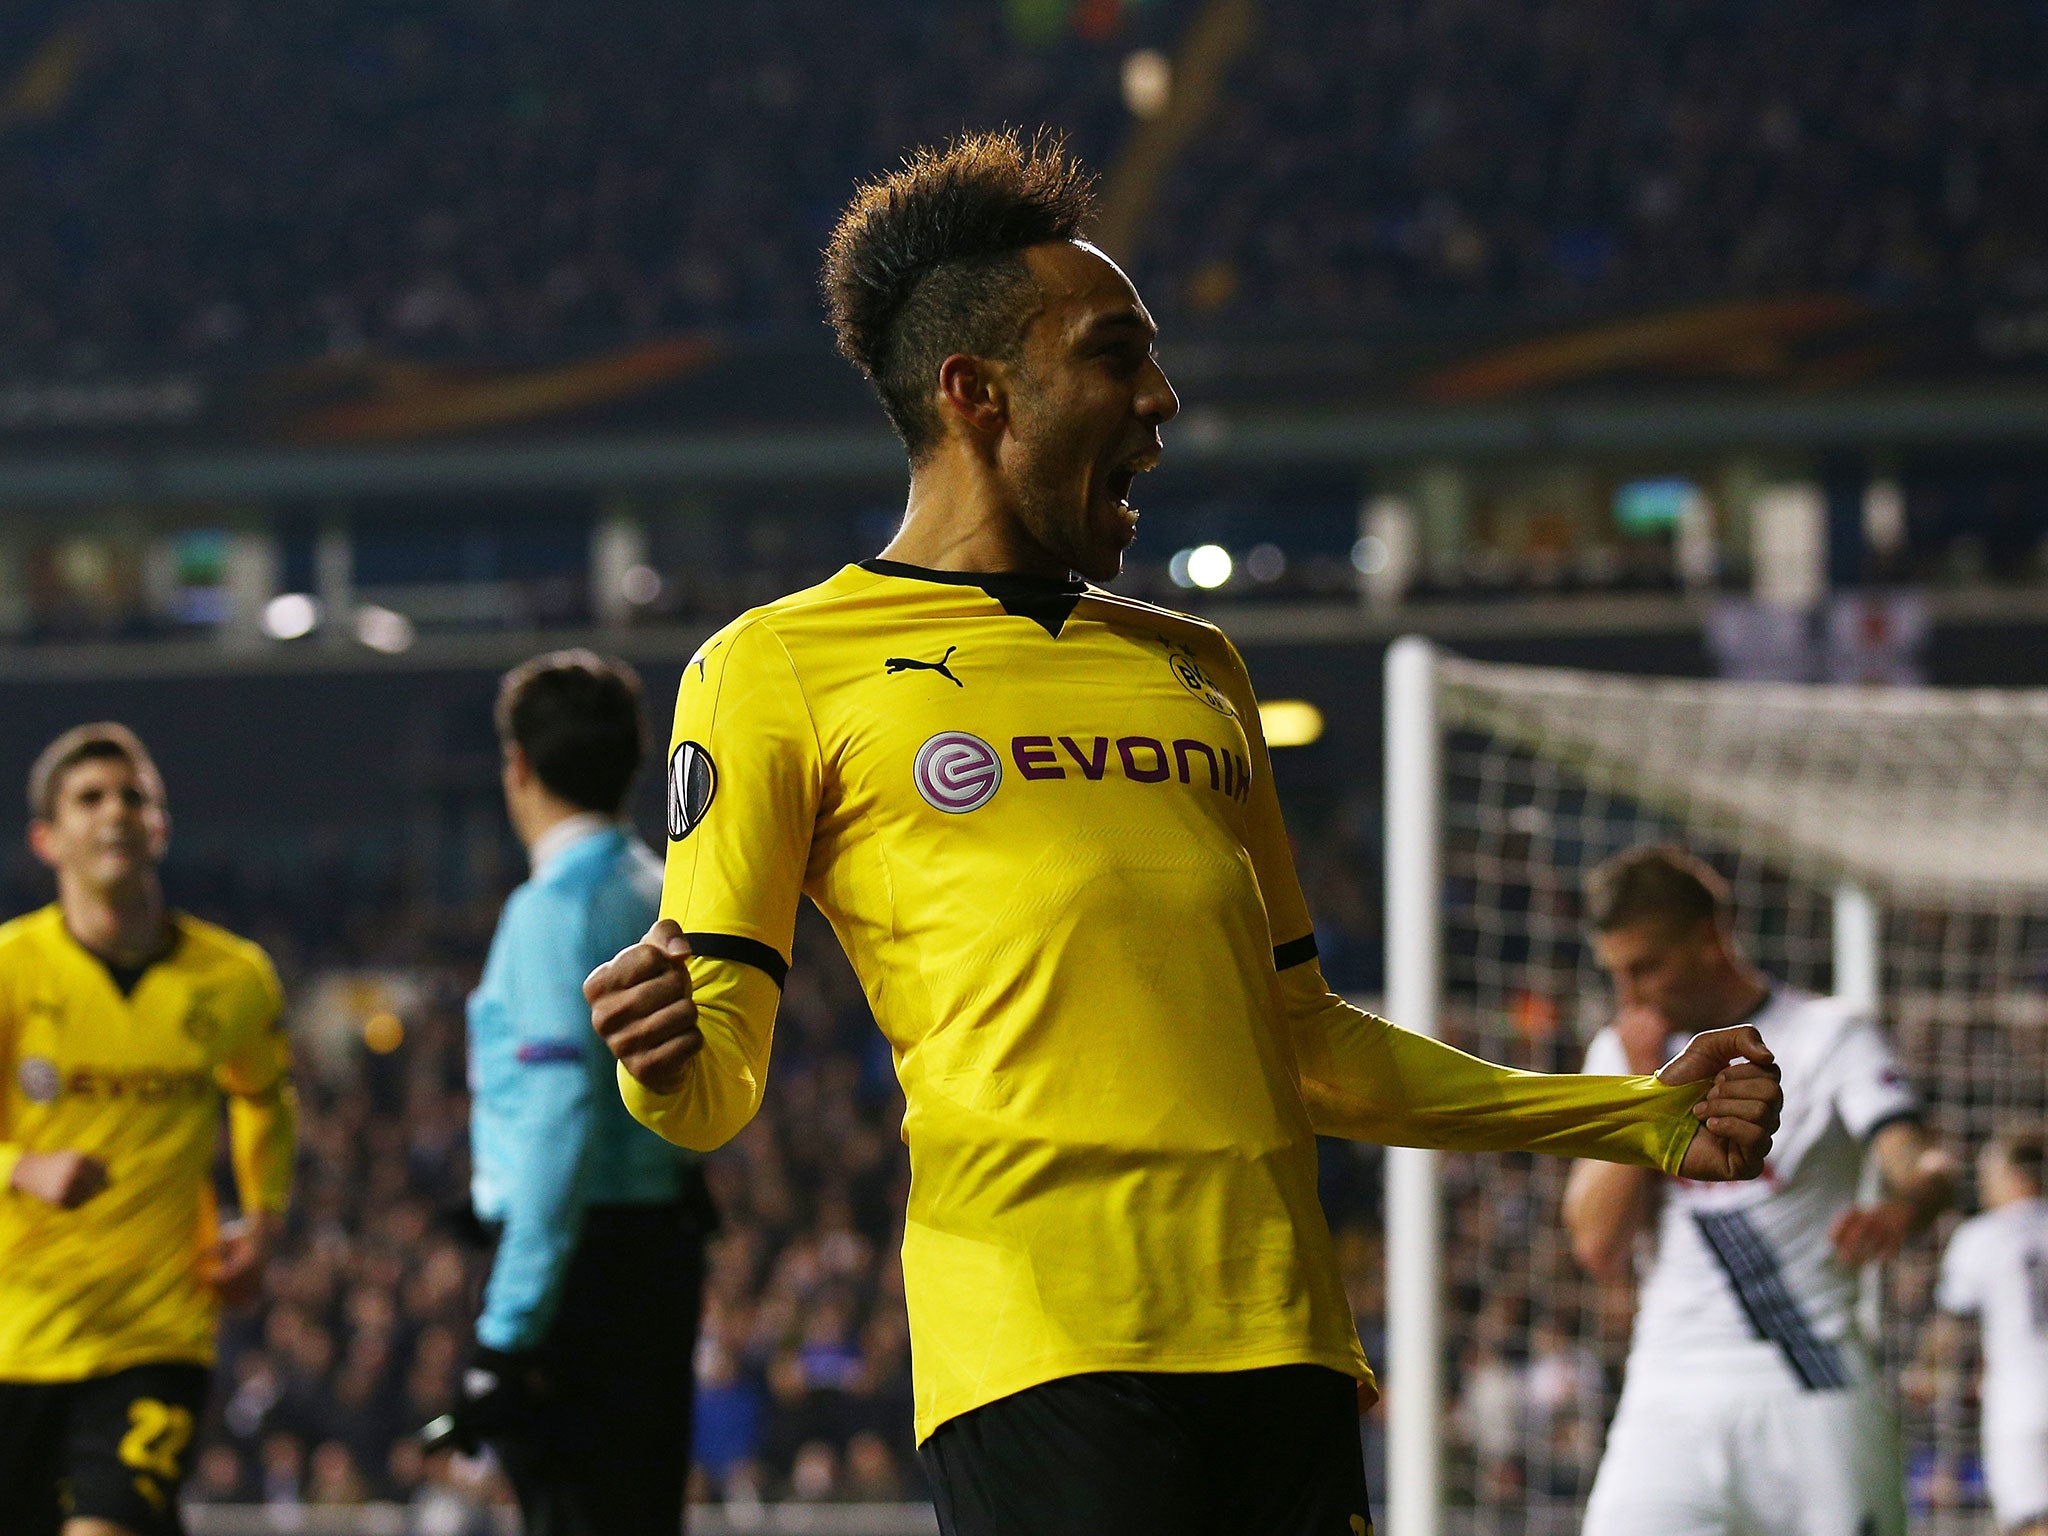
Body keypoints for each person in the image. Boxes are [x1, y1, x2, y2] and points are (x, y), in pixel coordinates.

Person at [583, 131, 1784, 1536]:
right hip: (1045, 1355)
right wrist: (661, 1059)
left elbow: (1304, 1038)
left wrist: (1631, 1117)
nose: (1160, 399)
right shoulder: (777, 666)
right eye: (1114, 355)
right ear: (976, 393)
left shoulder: (1199, 666)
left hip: (1283, 1344)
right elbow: (714, 1083)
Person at [1565, 844, 1954, 1536]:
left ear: (1711, 939)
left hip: (1812, 1385)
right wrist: (1643, 1086)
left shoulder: (1829, 1034)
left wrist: (1904, 1205)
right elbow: (1596, 1245)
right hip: (1671, 1390)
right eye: (1616, 972)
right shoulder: (1623, 1053)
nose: (1629, 993)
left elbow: (1920, 1161)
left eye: (1645, 965)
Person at [423, 651, 711, 1536]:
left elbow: (558, 1122)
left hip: (580, 1273)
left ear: (517, 768)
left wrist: (505, 1335)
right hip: (663, 1248)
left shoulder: (550, 914)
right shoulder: (664, 892)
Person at [0, 723, 296, 1536]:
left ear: (161, 827)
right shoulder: (11, 971)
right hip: (16, 1334)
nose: (116, 813)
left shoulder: (232, 979)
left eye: (135, 796)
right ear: (46, 839)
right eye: (89, 798)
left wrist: (263, 1223)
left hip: (155, 1334)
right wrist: (21, 1169)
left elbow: (264, 1098)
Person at [1931, 1134, 2048, 1536]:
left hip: (2019, 1396)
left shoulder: (1981, 1236)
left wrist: (1927, 1370)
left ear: (2011, 1175)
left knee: (2027, 1522)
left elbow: (1950, 1326)